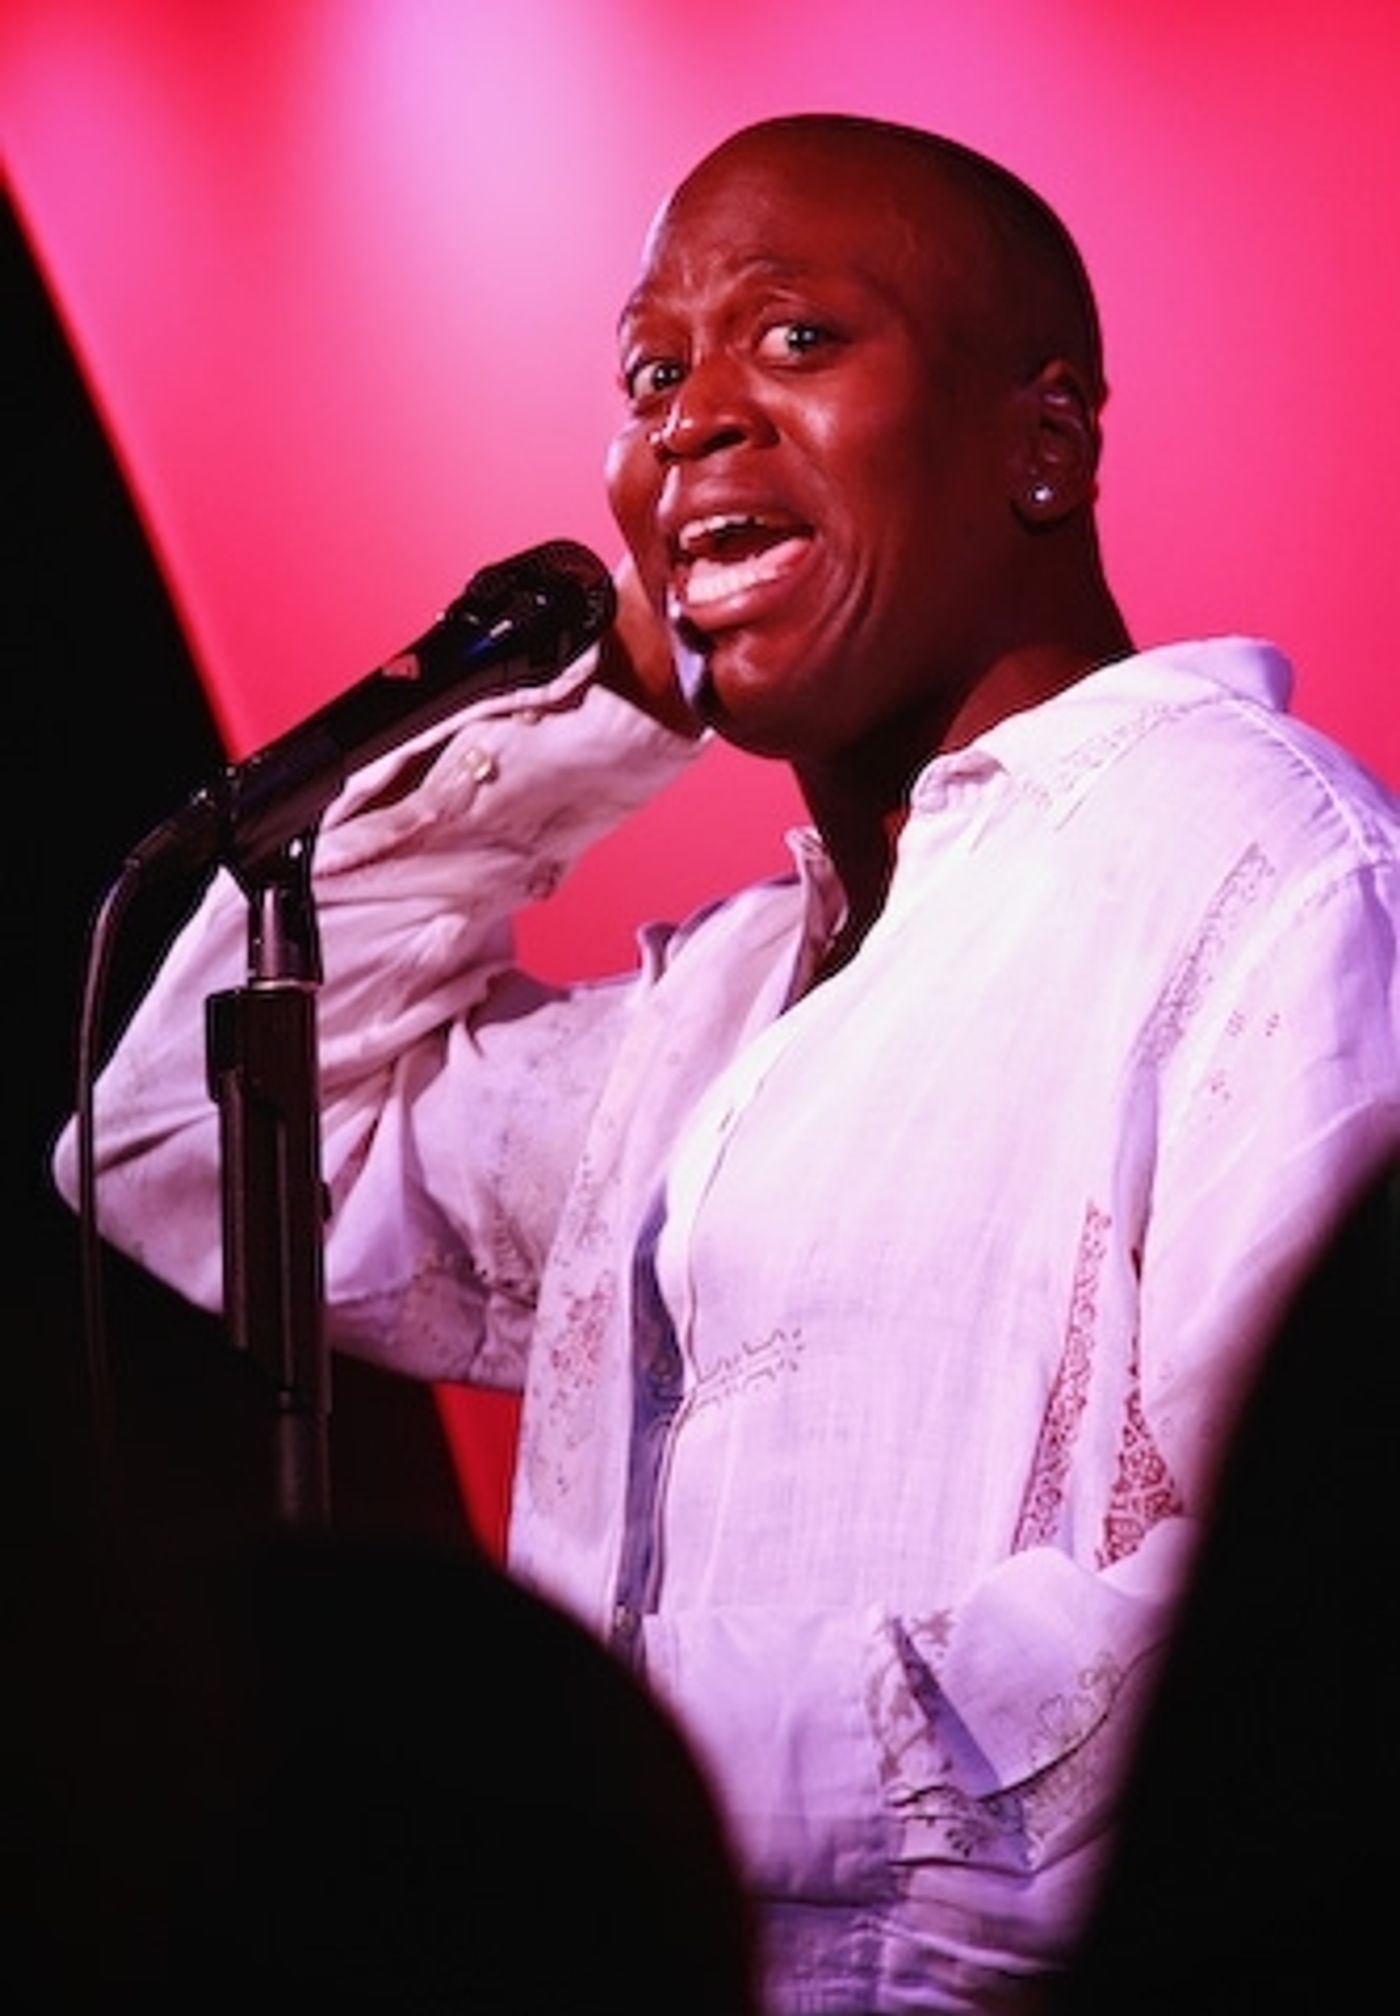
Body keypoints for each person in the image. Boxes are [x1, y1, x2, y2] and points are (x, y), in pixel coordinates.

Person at [55, 112, 1400, 2012]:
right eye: (648, 375)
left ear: (1045, 442)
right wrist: (594, 697)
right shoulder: (722, 1002)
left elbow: (1292, 1637)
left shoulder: (1262, 873)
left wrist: (568, 1764)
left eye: (795, 339)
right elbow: (192, 1147)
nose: (689, 418)